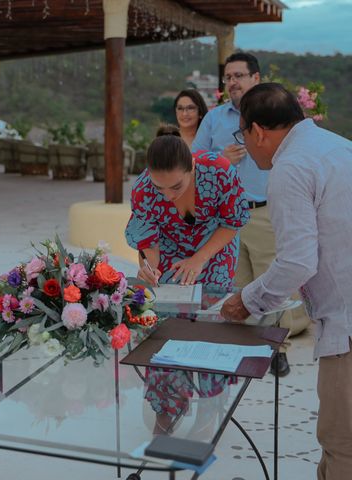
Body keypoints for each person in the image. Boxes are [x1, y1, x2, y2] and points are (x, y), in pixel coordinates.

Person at [220, 82, 352, 480]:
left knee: (342, 444)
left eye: (241, 132)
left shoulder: (290, 167)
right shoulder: (338, 146)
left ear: (256, 131)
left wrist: (246, 300)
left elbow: (296, 262)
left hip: (347, 326)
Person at [192, 52, 309, 377]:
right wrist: (219, 157)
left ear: (255, 78)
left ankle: (277, 350)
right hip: (225, 219)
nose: (232, 82)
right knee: (234, 284)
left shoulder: (273, 115)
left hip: (264, 214)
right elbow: (192, 161)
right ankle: (238, 351)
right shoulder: (215, 118)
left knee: (273, 284)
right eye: (228, 77)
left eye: (239, 76)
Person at [125, 126, 249, 290]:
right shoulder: (143, 190)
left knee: (213, 302)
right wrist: (149, 269)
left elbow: (232, 222)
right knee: (166, 301)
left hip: (215, 244)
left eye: (176, 187)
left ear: (192, 165)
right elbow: (149, 242)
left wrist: (199, 259)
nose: (168, 196)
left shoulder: (219, 171)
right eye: (159, 188)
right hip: (169, 248)